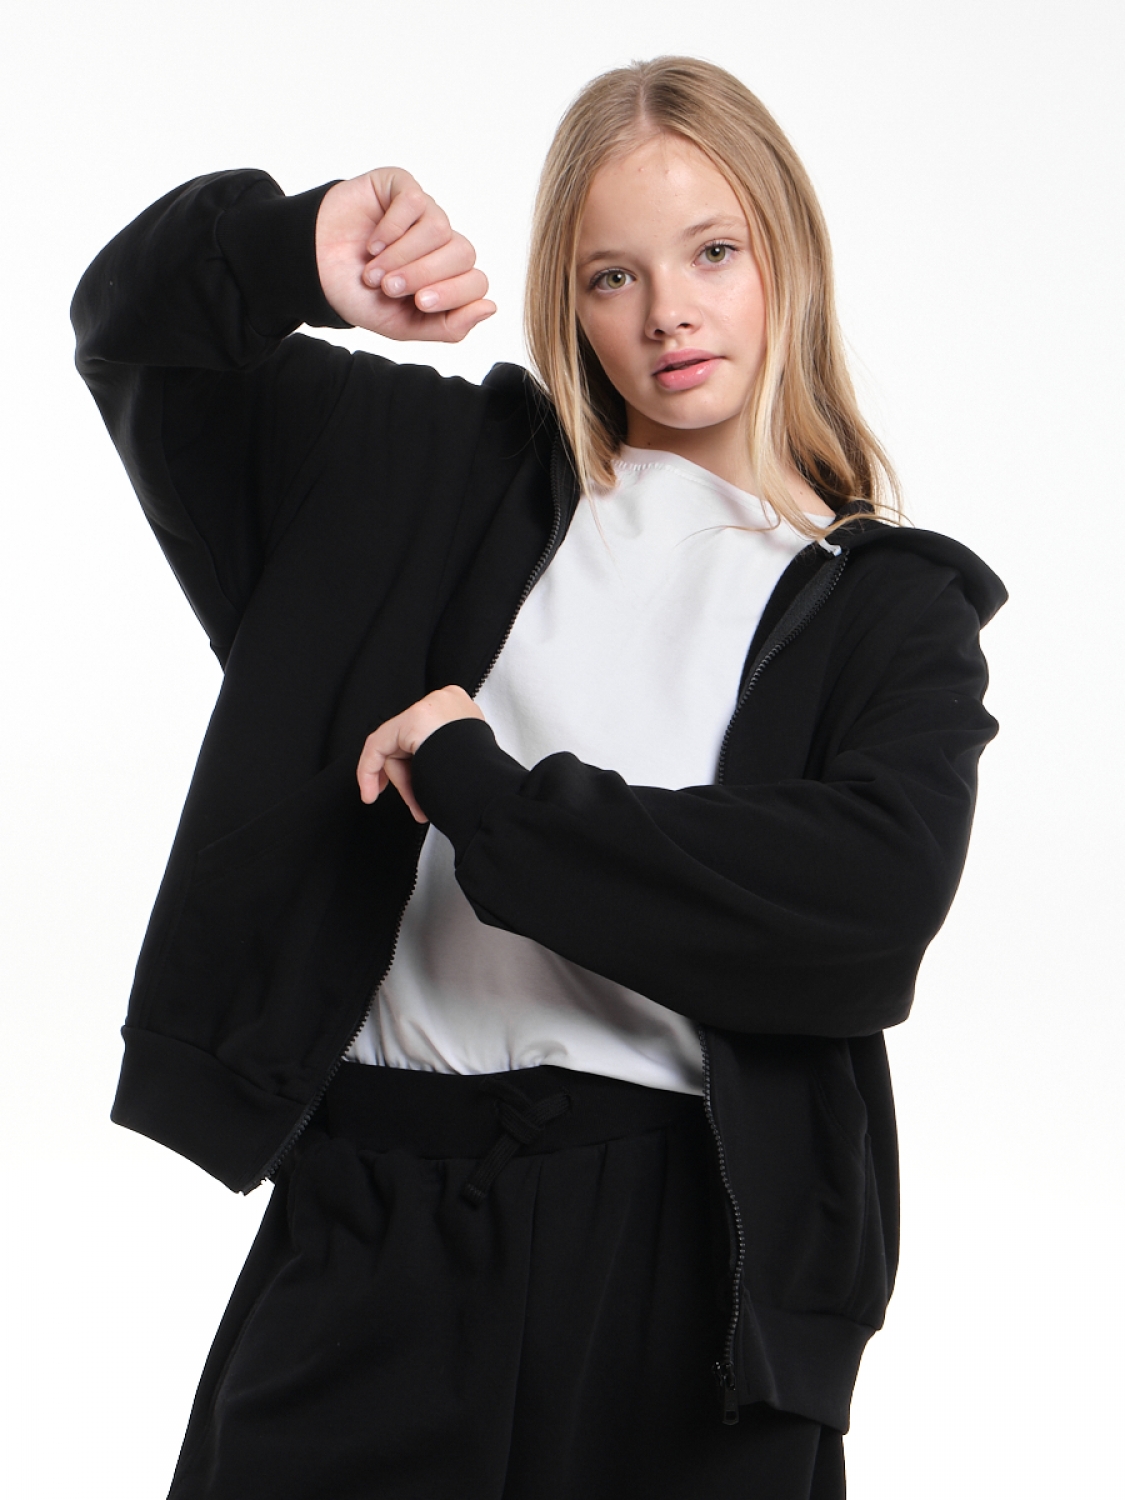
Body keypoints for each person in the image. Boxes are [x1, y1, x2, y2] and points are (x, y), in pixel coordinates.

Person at [72, 55, 1005, 1500]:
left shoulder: (887, 607)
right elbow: (134, 335)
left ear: (790, 254)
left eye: (712, 252)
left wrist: (488, 796)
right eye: (610, 275)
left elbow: (866, 904)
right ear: (565, 300)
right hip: (374, 1219)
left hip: (681, 1267)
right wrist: (289, 252)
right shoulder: (424, 475)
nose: (668, 312)